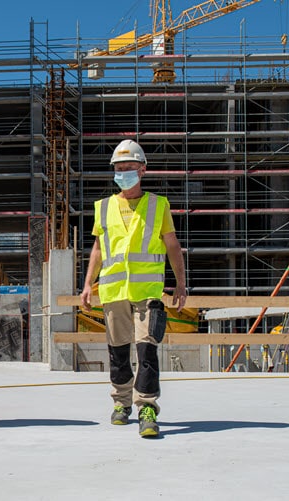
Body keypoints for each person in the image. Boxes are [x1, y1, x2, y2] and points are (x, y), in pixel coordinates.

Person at [80, 139, 187, 438]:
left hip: (148, 292)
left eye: (129, 168)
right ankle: (121, 403)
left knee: (147, 348)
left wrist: (180, 283)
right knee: (118, 352)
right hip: (113, 291)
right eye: (118, 169)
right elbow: (99, 249)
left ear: (142, 170)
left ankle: (147, 407)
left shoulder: (158, 205)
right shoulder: (103, 208)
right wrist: (88, 284)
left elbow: (172, 246)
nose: (123, 173)